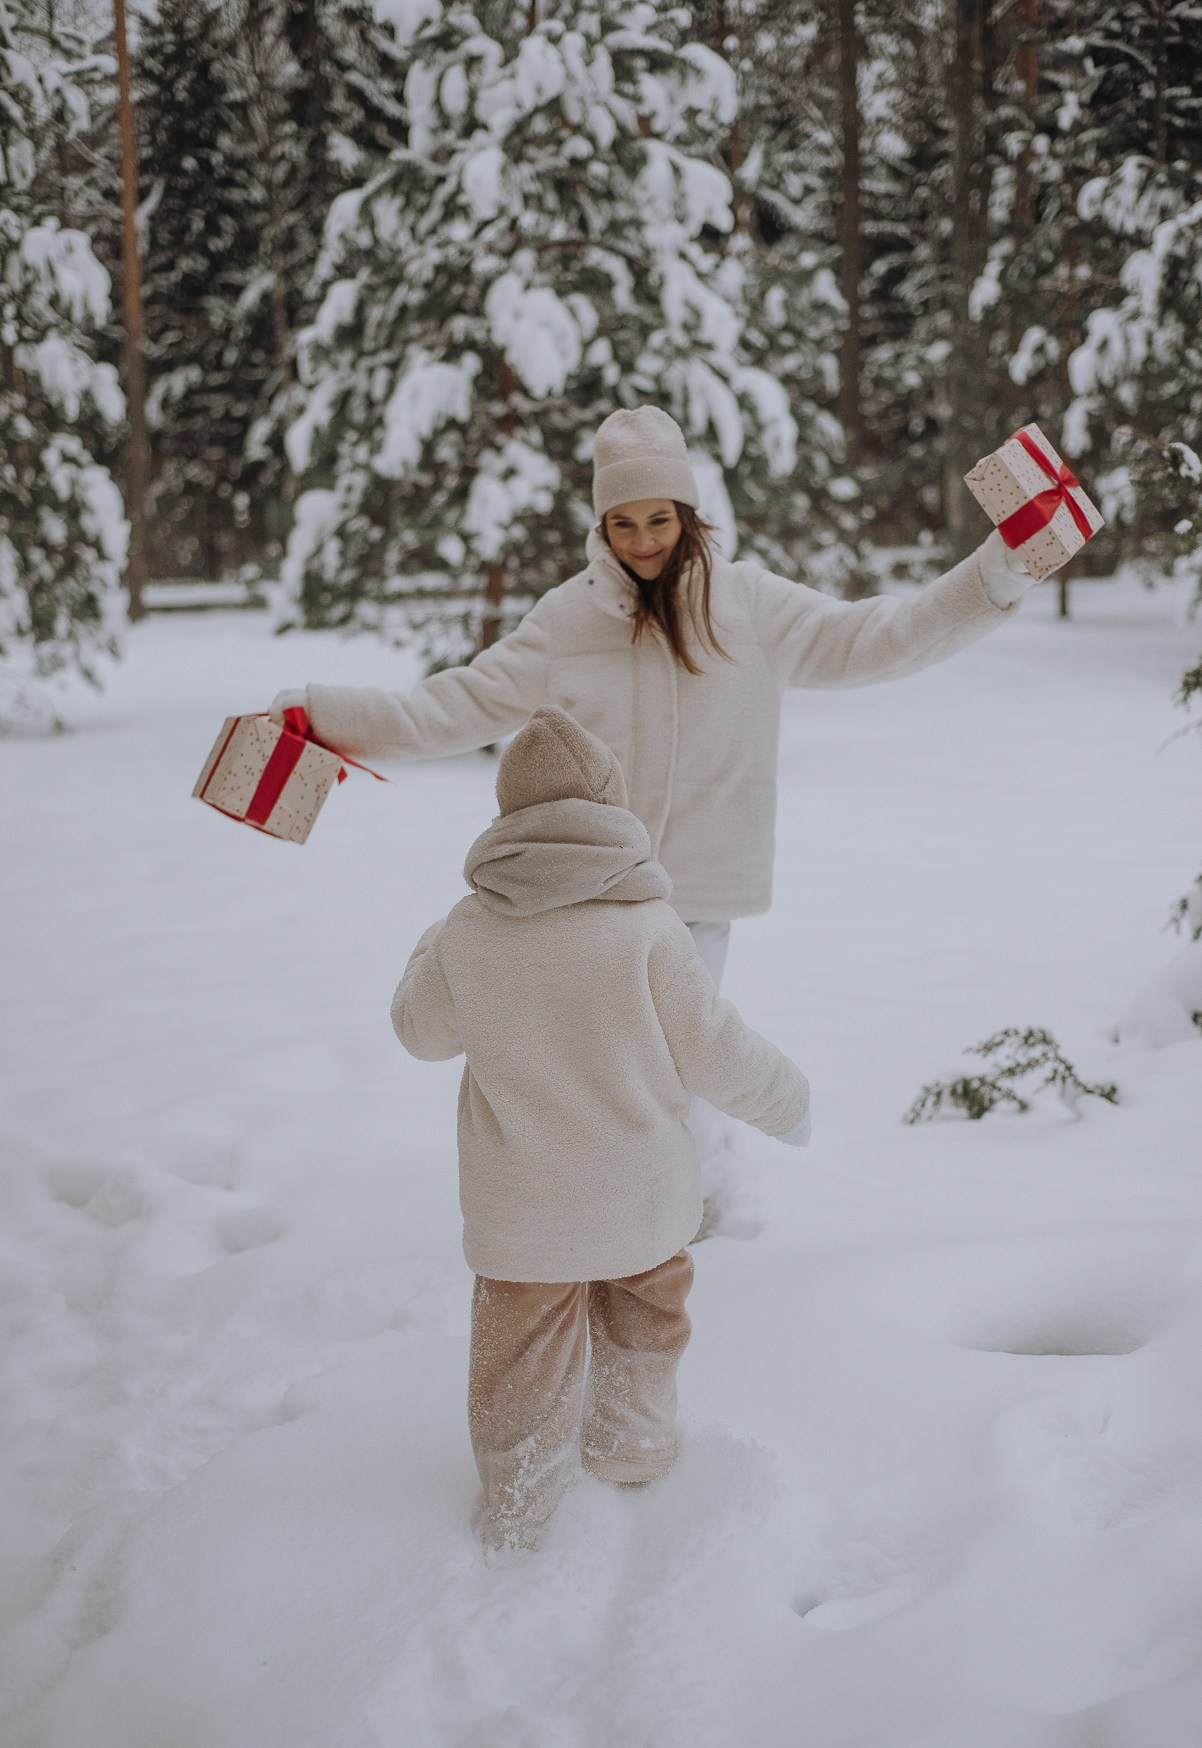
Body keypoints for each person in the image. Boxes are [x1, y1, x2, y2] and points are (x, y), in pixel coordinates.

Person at [272, 405, 1031, 1215]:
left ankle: (683, 1220)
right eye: (623, 522)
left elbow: (882, 634)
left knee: (678, 1062)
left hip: (698, 897)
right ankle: (648, 1209)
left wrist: (995, 574)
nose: (642, 541)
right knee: (624, 1072)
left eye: (660, 519)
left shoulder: (751, 607)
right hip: (590, 899)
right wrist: (325, 716)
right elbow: (451, 707)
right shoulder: (568, 620)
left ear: (689, 515)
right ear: (601, 522)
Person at [391, 706, 811, 1550]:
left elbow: (418, 1031)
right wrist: (787, 1101)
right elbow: (715, 1048)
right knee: (645, 1325)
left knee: (519, 1368)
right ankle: (633, 1445)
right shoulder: (649, 930)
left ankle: (521, 1500)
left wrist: (432, 946)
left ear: (508, 817)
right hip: (641, 1203)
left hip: (524, 1218)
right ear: (614, 810)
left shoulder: (470, 931)